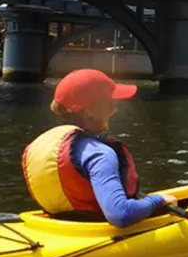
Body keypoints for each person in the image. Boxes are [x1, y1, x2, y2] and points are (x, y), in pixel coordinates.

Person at [22, 69, 176, 228]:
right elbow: (120, 215)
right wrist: (158, 200)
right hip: (95, 233)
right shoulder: (101, 154)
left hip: (53, 228)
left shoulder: (42, 143)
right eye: (111, 104)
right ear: (89, 111)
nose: (115, 109)